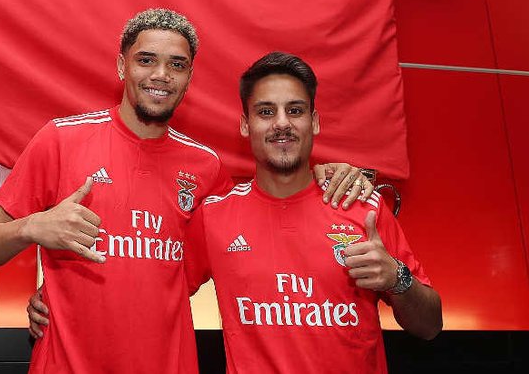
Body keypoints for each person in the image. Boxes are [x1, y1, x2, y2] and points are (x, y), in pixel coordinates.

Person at [0, 9, 372, 374]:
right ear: (121, 66)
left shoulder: (206, 167)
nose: (161, 75)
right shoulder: (60, 140)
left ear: (189, 77)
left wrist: (330, 173)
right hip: (66, 363)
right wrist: (33, 227)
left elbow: (267, 216)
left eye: (177, 65)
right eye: (146, 60)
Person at [181, 52, 441, 373]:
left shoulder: (362, 206)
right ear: (246, 125)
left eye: (295, 110)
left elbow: (430, 326)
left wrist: (397, 278)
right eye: (266, 112)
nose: (282, 123)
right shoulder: (213, 217)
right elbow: (157, 295)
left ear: (314, 121)